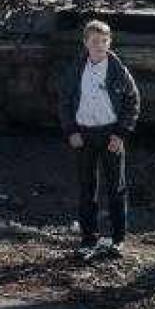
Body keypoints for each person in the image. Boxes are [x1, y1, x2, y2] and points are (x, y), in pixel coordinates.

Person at [57, 19, 140, 259]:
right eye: (95, 41)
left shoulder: (118, 70)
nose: (100, 46)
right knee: (87, 189)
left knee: (116, 188)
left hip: (111, 134)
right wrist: (71, 130)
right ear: (86, 43)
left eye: (104, 41)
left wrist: (121, 133)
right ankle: (88, 240)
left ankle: (118, 240)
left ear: (110, 42)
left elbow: (133, 102)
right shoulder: (76, 69)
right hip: (83, 135)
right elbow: (64, 100)